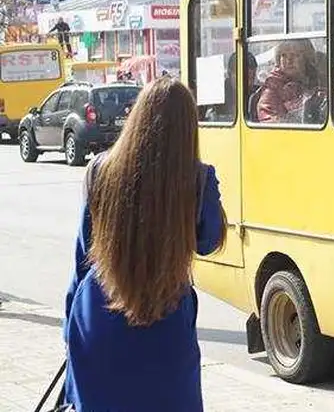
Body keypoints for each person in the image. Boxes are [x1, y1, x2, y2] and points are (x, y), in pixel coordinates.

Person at [62, 76, 226, 412]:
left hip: (99, 311)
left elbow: (83, 257)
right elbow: (208, 242)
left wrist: (70, 332)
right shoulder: (196, 178)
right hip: (164, 318)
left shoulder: (100, 171)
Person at [256, 40, 326, 124]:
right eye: (284, 55)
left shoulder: (316, 81)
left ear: (306, 59)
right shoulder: (272, 88)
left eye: (295, 55)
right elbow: (268, 121)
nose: (289, 60)